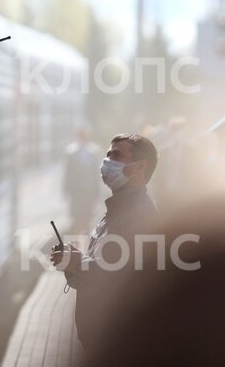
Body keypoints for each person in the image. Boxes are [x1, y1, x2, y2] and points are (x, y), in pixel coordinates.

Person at [50, 133, 160, 350]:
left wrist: (77, 262)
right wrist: (72, 263)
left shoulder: (138, 215)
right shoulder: (116, 209)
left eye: (117, 155)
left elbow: (117, 279)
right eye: (108, 154)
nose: (107, 162)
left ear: (140, 167)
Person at [62, 126, 103, 234]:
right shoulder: (71, 152)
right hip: (76, 192)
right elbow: (68, 173)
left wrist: (98, 191)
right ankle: (76, 244)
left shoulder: (94, 151)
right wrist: (66, 190)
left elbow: (97, 173)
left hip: (89, 191)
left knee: (88, 218)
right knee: (76, 219)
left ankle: (86, 245)